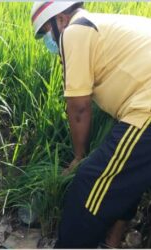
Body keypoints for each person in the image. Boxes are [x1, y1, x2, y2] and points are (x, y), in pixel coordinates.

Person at [31, 1, 151, 248]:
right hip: (142, 105)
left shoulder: (75, 31)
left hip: (146, 109)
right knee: (123, 173)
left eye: (45, 32)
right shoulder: (101, 26)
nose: (47, 41)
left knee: (90, 180)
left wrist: (78, 157)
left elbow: (79, 107)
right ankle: (112, 241)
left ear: (61, 19)